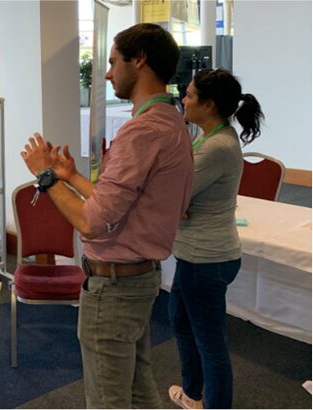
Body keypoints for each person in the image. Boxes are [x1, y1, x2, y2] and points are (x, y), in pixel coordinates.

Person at [20, 23, 193, 408]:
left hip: (116, 288)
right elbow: (118, 206)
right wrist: (74, 177)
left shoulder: (141, 132)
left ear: (140, 60)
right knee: (136, 387)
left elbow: (90, 221)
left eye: (114, 62)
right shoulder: (173, 123)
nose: (109, 72)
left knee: (107, 399)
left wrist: (46, 179)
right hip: (139, 278)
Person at [168, 68, 264, 409]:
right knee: (180, 319)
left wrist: (176, 204)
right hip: (197, 255)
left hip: (205, 259)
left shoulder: (218, 146)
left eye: (190, 95)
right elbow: (177, 194)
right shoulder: (207, 137)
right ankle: (193, 394)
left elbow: (171, 196)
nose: (184, 99)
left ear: (208, 104)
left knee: (211, 344)